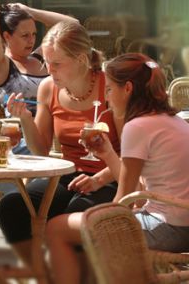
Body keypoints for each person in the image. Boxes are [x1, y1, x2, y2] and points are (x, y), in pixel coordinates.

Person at [45, 53, 189, 284]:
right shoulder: (175, 121)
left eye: (110, 89)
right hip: (181, 224)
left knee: (56, 227)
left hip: (167, 229)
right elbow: (142, 190)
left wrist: (100, 224)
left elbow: (125, 199)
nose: (106, 98)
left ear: (128, 88)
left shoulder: (137, 126)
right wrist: (108, 154)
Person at [0, 21, 123, 265]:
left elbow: (131, 153)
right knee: (10, 207)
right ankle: (39, 272)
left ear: (82, 60)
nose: (49, 70)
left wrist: (99, 179)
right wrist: (24, 119)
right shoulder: (48, 88)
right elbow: (41, 149)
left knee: (74, 218)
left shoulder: (110, 87)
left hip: (111, 177)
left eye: (57, 63)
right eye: (46, 62)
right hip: (67, 175)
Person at [0, 3, 77, 115]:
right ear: (7, 36)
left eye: (34, 34)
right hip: (25, 129)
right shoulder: (1, 67)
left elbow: (74, 26)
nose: (31, 40)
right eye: (25, 35)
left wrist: (32, 12)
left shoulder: (39, 58)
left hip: (61, 122)